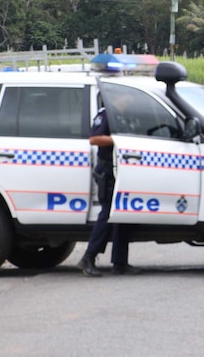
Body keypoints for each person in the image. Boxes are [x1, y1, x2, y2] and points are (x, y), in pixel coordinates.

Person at [76, 91, 140, 277]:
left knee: (123, 216)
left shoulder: (124, 116)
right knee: (107, 215)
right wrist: (118, 140)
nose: (130, 98)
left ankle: (120, 262)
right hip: (107, 171)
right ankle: (88, 258)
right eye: (128, 95)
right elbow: (94, 138)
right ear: (117, 97)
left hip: (122, 169)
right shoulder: (105, 114)